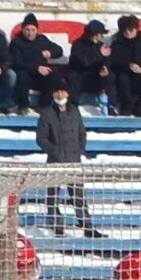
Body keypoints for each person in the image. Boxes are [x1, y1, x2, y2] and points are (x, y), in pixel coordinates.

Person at [35, 74, 103, 239]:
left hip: (74, 160)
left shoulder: (75, 111)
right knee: (53, 196)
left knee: (78, 196)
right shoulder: (47, 114)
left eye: (63, 92)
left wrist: (80, 149)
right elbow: (41, 138)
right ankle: (57, 226)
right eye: (57, 92)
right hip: (55, 161)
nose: (60, 95)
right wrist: (55, 152)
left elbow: (82, 132)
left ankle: (87, 226)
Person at [9, 13, 64, 115]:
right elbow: (17, 63)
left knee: (54, 75)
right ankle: (23, 106)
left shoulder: (42, 40)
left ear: (36, 30)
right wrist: (36, 68)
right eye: (27, 30)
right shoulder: (16, 42)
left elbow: (59, 50)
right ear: (23, 29)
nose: (30, 33)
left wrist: (50, 52)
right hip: (26, 75)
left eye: (33, 30)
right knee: (22, 75)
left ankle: (43, 105)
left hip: (40, 76)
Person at [110, 14, 141, 117]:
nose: (128, 32)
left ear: (136, 29)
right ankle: (126, 106)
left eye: (130, 29)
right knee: (122, 79)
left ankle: (140, 107)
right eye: (124, 30)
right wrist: (128, 66)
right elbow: (113, 61)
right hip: (125, 81)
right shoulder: (117, 44)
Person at [67, 19, 117, 115]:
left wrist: (105, 67)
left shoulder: (100, 45)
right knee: (73, 76)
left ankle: (111, 105)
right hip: (81, 79)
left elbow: (107, 59)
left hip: (95, 79)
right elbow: (84, 62)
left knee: (110, 76)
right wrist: (99, 53)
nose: (101, 37)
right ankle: (73, 106)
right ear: (93, 34)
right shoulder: (78, 45)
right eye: (100, 34)